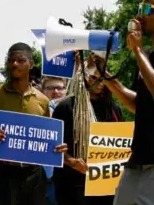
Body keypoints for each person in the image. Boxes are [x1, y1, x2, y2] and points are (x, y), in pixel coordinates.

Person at [0, 42, 68, 205]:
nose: (14, 64)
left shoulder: (43, 101)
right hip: (4, 174)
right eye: (11, 60)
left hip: (35, 175)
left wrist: (58, 149)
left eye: (20, 60)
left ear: (31, 64)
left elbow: (46, 140)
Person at [101, 0, 154, 205]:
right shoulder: (147, 57)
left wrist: (138, 50)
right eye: (140, 10)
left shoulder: (143, 55)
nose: (141, 16)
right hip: (138, 159)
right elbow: (138, 104)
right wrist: (106, 80)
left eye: (148, 11)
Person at [52, 59, 123, 205]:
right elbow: (53, 146)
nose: (100, 83)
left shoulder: (113, 109)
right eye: (94, 78)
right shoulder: (66, 107)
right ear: (83, 77)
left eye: (103, 79)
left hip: (105, 185)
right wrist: (71, 161)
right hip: (73, 184)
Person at [40, 76, 68, 205]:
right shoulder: (34, 111)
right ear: (42, 90)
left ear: (66, 90)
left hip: (66, 177)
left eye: (60, 88)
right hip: (41, 177)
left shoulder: (75, 112)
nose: (55, 92)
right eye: (50, 88)